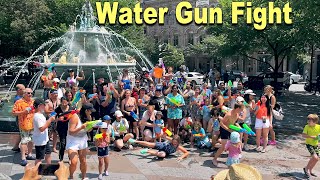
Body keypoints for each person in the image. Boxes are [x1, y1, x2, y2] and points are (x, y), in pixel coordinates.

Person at [67, 103, 95, 180]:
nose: (91, 113)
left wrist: (92, 126)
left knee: (83, 161)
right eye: (90, 111)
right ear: (86, 110)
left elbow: (88, 130)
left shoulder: (89, 117)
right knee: (74, 162)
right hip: (73, 140)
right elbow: (71, 132)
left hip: (82, 140)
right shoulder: (75, 117)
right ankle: (71, 176)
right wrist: (81, 127)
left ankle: (83, 177)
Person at [12, 88, 36, 166]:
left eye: (31, 93)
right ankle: (23, 158)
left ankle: (29, 154)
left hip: (32, 124)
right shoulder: (19, 102)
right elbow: (14, 112)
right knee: (24, 141)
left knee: (32, 140)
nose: (30, 95)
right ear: (24, 93)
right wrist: (23, 112)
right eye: (28, 93)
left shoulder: (33, 101)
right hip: (24, 125)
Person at [33, 98, 56, 165]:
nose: (45, 106)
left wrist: (54, 119)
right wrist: (50, 120)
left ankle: (48, 168)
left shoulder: (41, 115)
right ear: (39, 106)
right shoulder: (37, 116)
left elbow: (44, 123)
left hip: (45, 139)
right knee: (39, 158)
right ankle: (36, 172)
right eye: (44, 105)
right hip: (40, 141)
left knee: (48, 154)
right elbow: (41, 128)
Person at [302, 114, 320, 178]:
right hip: (309, 144)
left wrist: (318, 138)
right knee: (315, 157)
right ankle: (306, 169)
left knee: (317, 159)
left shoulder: (318, 127)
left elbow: (319, 136)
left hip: (316, 145)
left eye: (310, 121)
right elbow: (303, 135)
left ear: (315, 122)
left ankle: (310, 170)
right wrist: (311, 136)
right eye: (308, 120)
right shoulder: (307, 127)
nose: (308, 122)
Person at [45, 89, 60, 153]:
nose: (56, 95)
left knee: (55, 134)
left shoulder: (59, 101)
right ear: (51, 94)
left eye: (57, 93)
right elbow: (46, 111)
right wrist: (54, 112)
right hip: (49, 120)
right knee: (48, 134)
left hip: (56, 120)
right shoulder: (47, 102)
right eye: (54, 93)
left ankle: (54, 147)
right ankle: (46, 147)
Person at [55, 97, 70, 161]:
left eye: (65, 102)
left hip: (70, 127)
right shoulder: (57, 109)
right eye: (63, 103)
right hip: (61, 127)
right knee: (63, 143)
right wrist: (58, 119)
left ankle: (70, 158)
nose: (64, 104)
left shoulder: (71, 108)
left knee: (69, 143)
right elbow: (52, 118)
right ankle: (61, 158)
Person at [12, 84, 26, 152]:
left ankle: (16, 146)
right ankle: (25, 150)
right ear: (19, 90)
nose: (25, 90)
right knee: (24, 134)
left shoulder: (19, 97)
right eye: (24, 89)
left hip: (21, 118)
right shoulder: (18, 99)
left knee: (21, 133)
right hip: (21, 119)